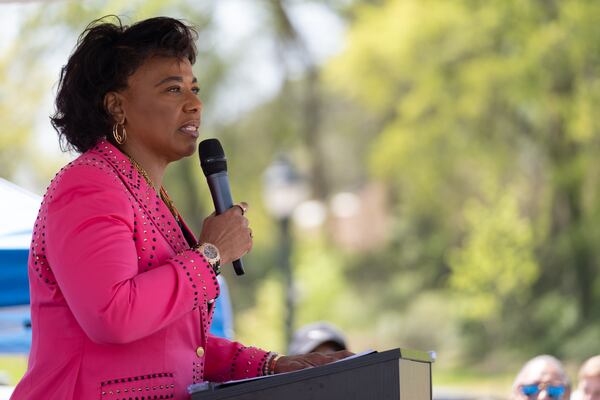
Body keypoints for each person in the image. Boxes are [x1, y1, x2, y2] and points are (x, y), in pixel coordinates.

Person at [10, 16, 351, 400]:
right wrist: (210, 254)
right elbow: (112, 316)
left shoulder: (148, 197)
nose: (194, 104)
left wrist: (272, 365)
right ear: (117, 106)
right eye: (173, 90)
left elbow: (177, 346)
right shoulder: (88, 186)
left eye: (195, 88)